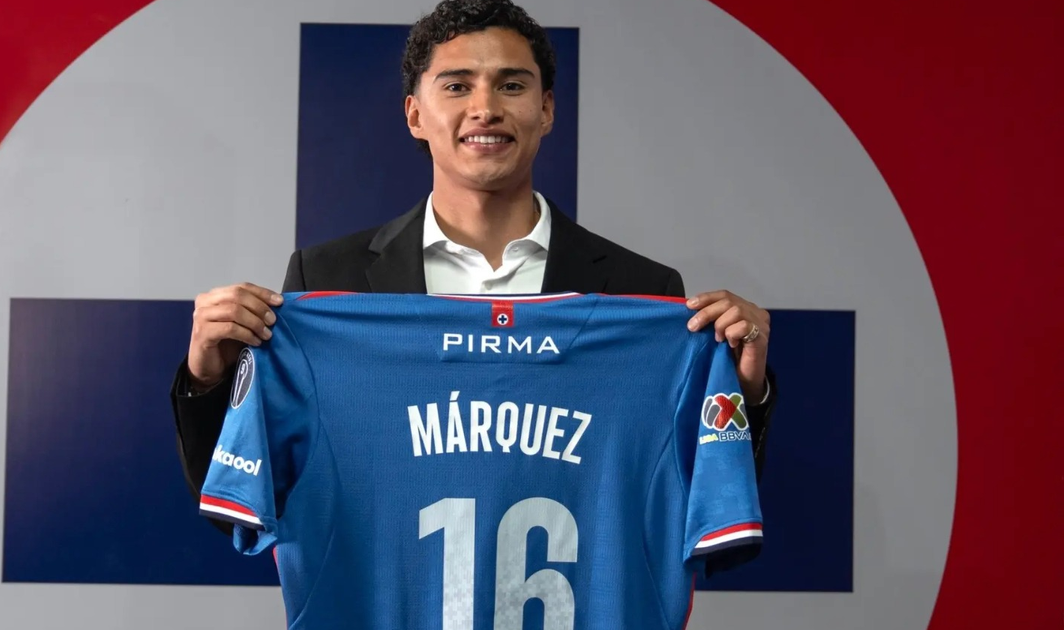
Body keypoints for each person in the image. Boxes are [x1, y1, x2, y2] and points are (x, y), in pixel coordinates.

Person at [170, 0, 776, 556]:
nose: (485, 108)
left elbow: (695, 493)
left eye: (512, 85)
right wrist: (208, 377)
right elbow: (246, 492)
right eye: (457, 85)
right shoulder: (327, 280)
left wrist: (742, 393)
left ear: (546, 110)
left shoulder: (641, 290)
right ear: (415, 114)